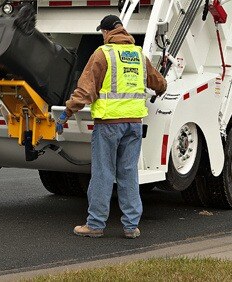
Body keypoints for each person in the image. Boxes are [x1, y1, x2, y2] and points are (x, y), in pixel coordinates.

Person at [55, 14, 167, 239]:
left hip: (108, 125)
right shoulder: (138, 55)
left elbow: (86, 91)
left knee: (103, 174)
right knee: (128, 174)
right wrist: (160, 90)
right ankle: (131, 226)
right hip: (134, 124)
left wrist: (66, 112)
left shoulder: (102, 54)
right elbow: (159, 83)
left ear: (106, 32)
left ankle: (95, 224)